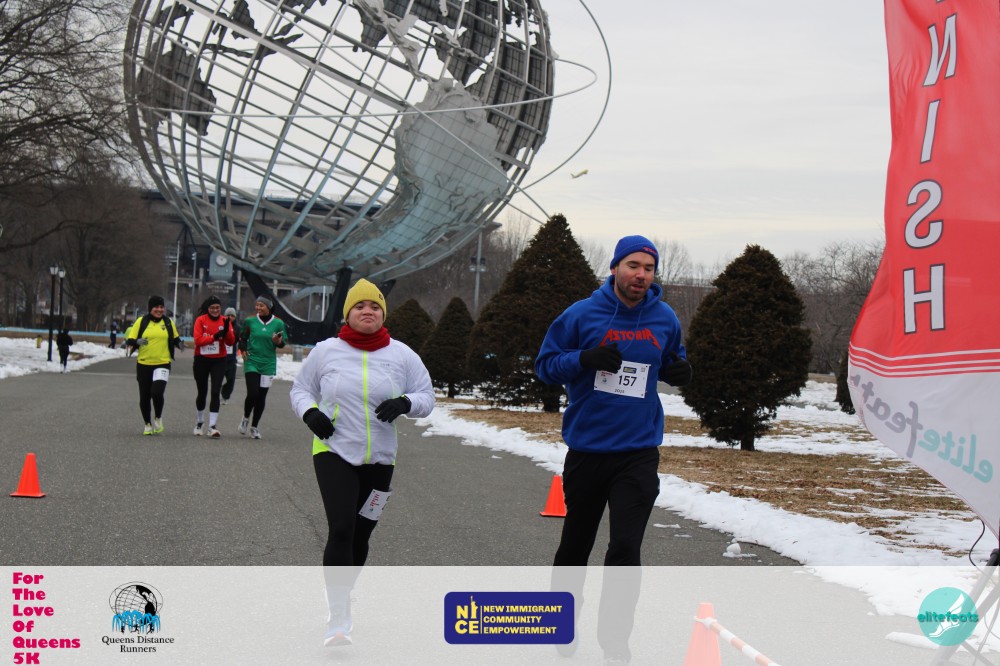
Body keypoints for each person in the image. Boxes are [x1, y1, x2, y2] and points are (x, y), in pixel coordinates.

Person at [535, 235, 693, 663]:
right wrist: (583, 359)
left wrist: (681, 371)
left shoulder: (664, 317)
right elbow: (545, 366)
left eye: (649, 268)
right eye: (633, 266)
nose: (641, 275)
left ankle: (615, 643)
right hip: (588, 449)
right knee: (576, 545)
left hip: (638, 451)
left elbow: (673, 359)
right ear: (615, 268)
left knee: (625, 548)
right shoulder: (581, 314)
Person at [289, 278, 434, 647]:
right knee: (341, 528)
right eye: (359, 306)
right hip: (333, 451)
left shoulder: (402, 355)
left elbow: (426, 396)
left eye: (374, 306)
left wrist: (405, 403)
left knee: (362, 534)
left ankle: (341, 592)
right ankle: (338, 617)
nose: (367, 311)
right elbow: (300, 389)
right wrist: (310, 413)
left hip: (381, 458)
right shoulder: (326, 351)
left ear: (383, 314)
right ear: (347, 314)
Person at [126, 296, 183, 436]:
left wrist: (180, 344)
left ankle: (158, 417)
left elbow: (176, 338)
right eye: (156, 307)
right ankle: (147, 424)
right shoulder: (141, 321)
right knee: (144, 397)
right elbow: (130, 339)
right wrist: (137, 341)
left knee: (157, 392)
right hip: (144, 363)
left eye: (161, 307)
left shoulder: (168, 322)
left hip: (162, 363)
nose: (159, 310)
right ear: (150, 308)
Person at [238, 295, 287, 439]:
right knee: (253, 393)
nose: (258, 308)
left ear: (269, 307)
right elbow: (242, 337)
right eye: (257, 305)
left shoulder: (278, 323)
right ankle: (245, 418)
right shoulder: (250, 321)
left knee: (261, 396)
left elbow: (282, 343)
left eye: (261, 305)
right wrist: (243, 348)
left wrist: (277, 341)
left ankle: (254, 427)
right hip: (252, 360)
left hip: (268, 363)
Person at [191, 295, 236, 437]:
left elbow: (230, 342)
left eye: (217, 307)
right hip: (201, 359)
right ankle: (199, 422)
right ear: (208, 309)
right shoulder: (200, 320)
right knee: (202, 392)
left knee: (216, 392)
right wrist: (214, 337)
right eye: (212, 308)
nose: (215, 310)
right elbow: (198, 340)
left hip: (219, 360)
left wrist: (227, 331)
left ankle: (212, 426)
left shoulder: (225, 320)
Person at [220, 307, 239, 405]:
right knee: (217, 379)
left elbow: (241, 340)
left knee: (231, 380)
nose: (230, 317)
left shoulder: (238, 328)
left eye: (232, 316)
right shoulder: (220, 325)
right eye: (228, 315)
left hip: (231, 359)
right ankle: (215, 395)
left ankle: (225, 395)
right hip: (220, 358)